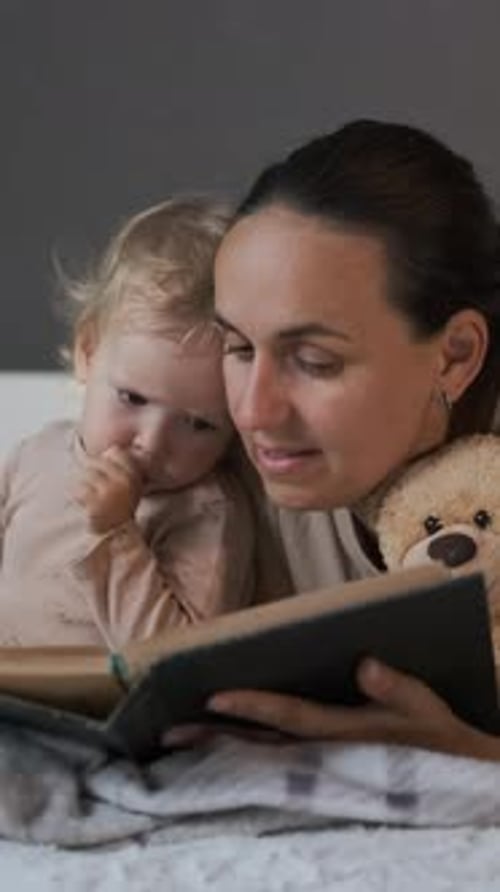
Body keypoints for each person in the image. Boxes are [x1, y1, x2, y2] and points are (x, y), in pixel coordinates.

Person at [207, 119, 500, 760]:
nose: (253, 412)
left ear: (454, 355)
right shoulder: (200, 461)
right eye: (235, 346)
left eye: (314, 360)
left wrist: (475, 756)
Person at [0, 197, 286, 649]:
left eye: (198, 424)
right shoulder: (35, 455)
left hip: (96, 713)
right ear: (88, 352)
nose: (151, 443)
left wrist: (117, 533)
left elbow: (176, 660)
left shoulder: (206, 511)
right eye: (132, 398)